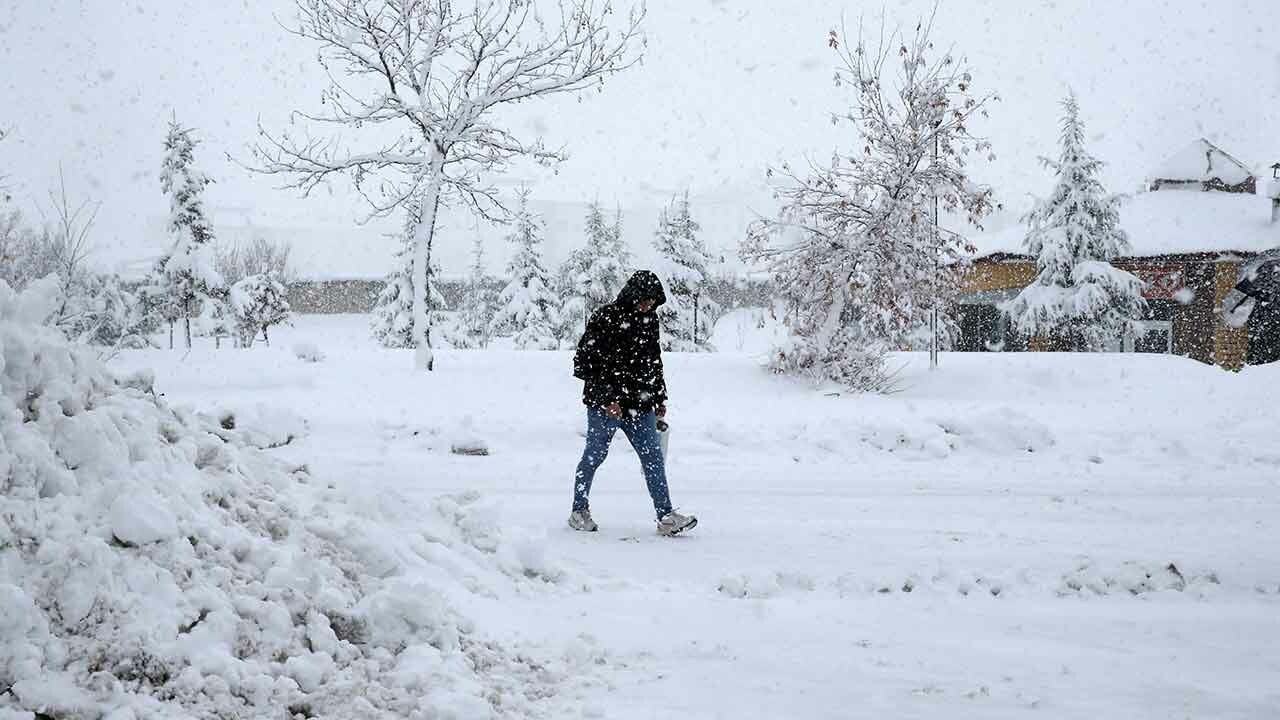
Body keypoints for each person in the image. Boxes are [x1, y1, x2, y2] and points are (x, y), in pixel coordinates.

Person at [569, 270, 697, 536]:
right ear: (633, 295)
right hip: (606, 405)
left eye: (652, 302)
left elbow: (653, 361)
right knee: (594, 456)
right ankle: (578, 510)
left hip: (640, 404)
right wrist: (607, 399)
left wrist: (660, 396)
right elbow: (583, 363)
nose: (647, 306)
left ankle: (666, 516)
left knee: (653, 458)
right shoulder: (605, 317)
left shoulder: (650, 320)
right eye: (645, 300)